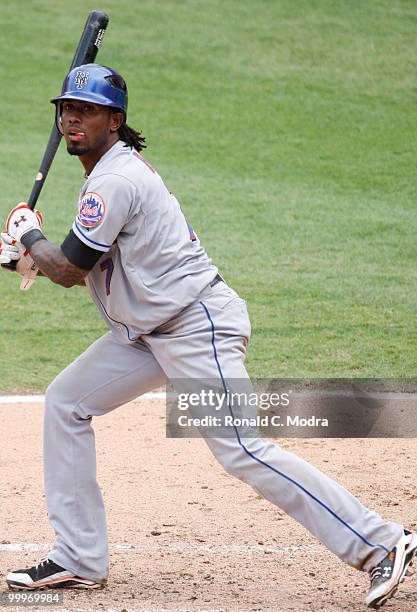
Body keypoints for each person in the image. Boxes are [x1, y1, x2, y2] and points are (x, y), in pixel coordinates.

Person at [0, 63, 415, 609]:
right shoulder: (105, 174)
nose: (73, 118)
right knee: (66, 403)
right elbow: (80, 263)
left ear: (115, 121)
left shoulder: (115, 180)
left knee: (241, 448)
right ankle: (79, 556)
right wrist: (27, 253)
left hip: (196, 328)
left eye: (88, 110)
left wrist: (27, 231)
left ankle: (383, 542)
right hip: (148, 334)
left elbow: (71, 269)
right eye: (67, 110)